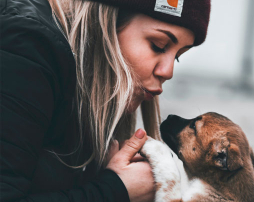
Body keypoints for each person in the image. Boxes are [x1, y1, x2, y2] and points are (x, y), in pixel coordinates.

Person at [0, 0, 210, 201]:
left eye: (178, 56)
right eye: (158, 45)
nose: (168, 72)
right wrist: (116, 190)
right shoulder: (27, 49)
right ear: (106, 23)